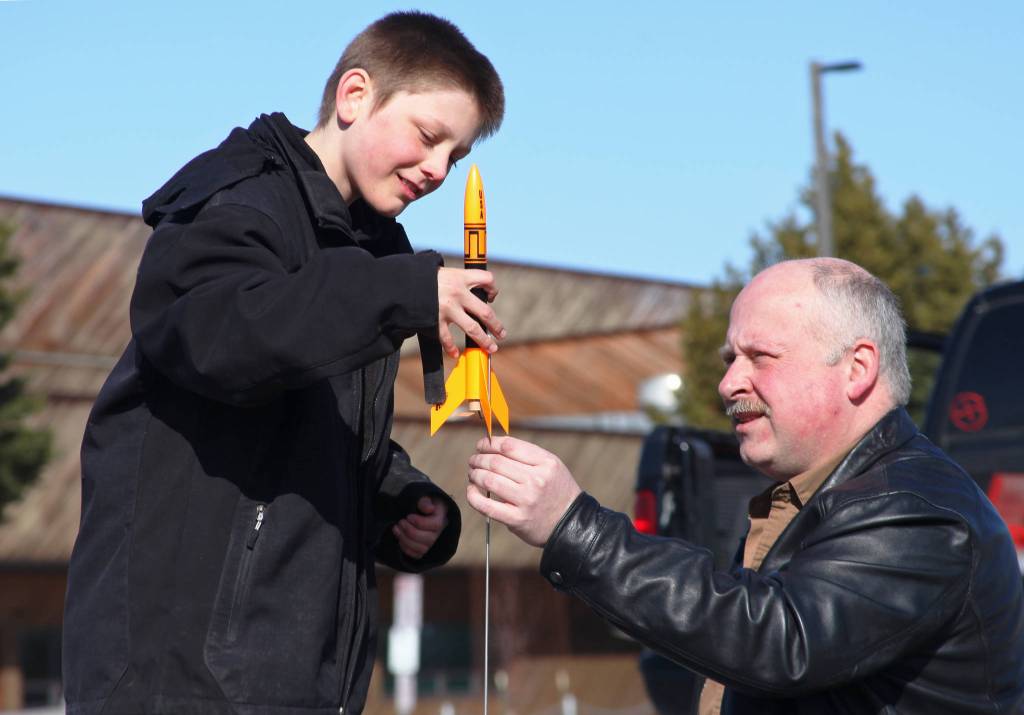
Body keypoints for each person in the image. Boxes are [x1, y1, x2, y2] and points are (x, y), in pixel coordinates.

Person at [63, 12, 504, 715]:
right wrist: (406, 292)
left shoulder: (373, 254)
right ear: (354, 96)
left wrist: (401, 502)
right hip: (179, 681)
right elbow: (230, 337)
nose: (437, 170)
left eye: (455, 155)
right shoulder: (235, 199)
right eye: (428, 137)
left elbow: (318, 430)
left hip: (299, 681)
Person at [467, 258, 1024, 714]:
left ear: (857, 369)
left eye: (761, 357)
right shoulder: (814, 493)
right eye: (731, 358)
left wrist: (573, 527)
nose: (730, 382)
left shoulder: (913, 509)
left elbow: (780, 641)